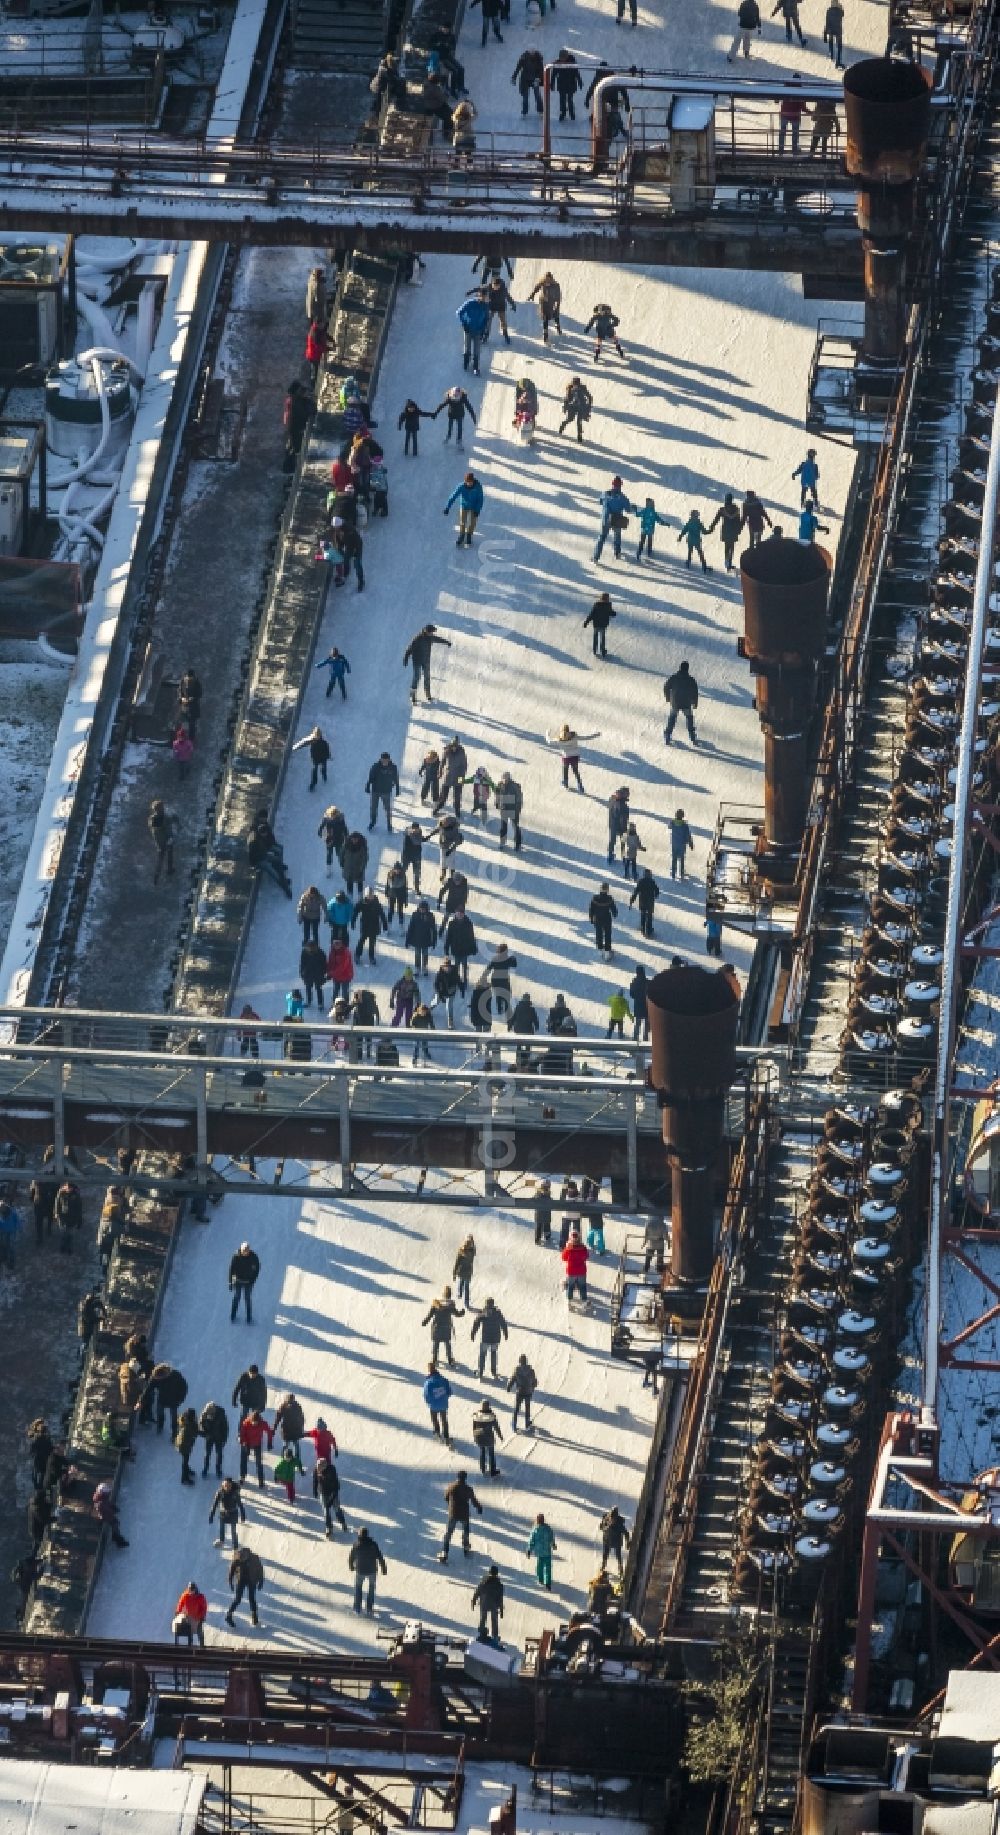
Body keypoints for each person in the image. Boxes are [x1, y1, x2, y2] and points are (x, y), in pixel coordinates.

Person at [439, 1470, 483, 1561]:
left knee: (449, 1532)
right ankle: (466, 1548)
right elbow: (473, 1500)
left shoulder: (451, 1487)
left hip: (453, 1513)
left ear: (457, 1477)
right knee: (466, 1531)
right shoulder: (468, 1489)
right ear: (465, 1478)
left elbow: (446, 1497)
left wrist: (451, 1504)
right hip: (464, 1514)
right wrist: (479, 1507)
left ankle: (445, 1552)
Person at [404, 624, 452, 703]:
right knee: (417, 677)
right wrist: (406, 657)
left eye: (433, 632)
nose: (432, 634)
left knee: (427, 677)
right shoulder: (418, 638)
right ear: (427, 632)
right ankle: (412, 694)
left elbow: (438, 639)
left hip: (426, 660)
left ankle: (427, 694)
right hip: (417, 660)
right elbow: (410, 648)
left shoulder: (430, 637)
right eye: (431, 632)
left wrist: (447, 642)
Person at [422, 1286, 465, 1366]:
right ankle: (450, 1359)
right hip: (446, 1327)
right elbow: (458, 1314)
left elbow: (429, 1316)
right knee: (447, 1344)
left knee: (436, 1344)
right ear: (450, 1295)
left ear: (443, 1294)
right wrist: (462, 1312)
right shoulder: (451, 1306)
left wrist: (425, 1322)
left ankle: (434, 1359)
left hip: (437, 1327)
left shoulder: (436, 1304)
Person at [349, 1527, 387, 1616]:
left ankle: (357, 1608)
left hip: (360, 1570)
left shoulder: (356, 1545)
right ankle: (369, 1608)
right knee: (371, 1589)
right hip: (372, 1571)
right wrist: (383, 1568)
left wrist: (351, 1566)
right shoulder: (373, 1545)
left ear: (360, 1535)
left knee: (358, 1588)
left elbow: (351, 1557)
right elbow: (380, 1557)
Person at [144, 1362, 188, 1438]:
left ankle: (174, 1433)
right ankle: (160, 1428)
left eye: (159, 1378)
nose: (158, 1380)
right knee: (160, 1414)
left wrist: (180, 1399)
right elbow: (148, 1389)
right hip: (162, 1399)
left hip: (174, 1400)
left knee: (174, 1418)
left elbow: (184, 1387)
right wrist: (141, 1400)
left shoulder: (176, 1375)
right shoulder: (156, 1376)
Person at [594, 474, 631, 563]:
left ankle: (596, 557)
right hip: (617, 520)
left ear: (612, 484)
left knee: (601, 538)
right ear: (620, 486)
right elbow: (628, 509)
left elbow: (600, 501)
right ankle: (617, 553)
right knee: (617, 536)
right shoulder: (623, 498)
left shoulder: (605, 494)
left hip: (606, 519)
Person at [472, 1296, 509, 1379]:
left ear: (486, 1304)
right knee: (493, 1354)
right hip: (495, 1338)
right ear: (493, 1304)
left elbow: (476, 1323)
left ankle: (480, 1372)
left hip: (485, 1338)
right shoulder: (498, 1313)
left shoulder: (483, 1312)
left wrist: (473, 1333)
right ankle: (494, 1372)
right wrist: (505, 1333)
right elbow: (503, 1323)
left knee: (482, 1355)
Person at [226, 1546, 264, 1627]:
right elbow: (231, 1569)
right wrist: (230, 1581)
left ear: (247, 1556)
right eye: (240, 1560)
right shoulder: (237, 1558)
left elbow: (260, 1569)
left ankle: (254, 1616)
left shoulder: (254, 1558)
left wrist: (261, 1581)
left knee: (251, 1598)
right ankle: (228, 1615)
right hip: (241, 1579)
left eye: (243, 1560)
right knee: (237, 1599)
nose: (241, 1561)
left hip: (252, 1579)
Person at [444, 472, 485, 547]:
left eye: (471, 482)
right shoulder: (461, 486)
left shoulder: (478, 487)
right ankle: (462, 535)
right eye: (468, 482)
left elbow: (480, 499)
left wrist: (477, 510)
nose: (469, 484)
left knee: (472, 522)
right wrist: (447, 507)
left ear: (473, 481)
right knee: (462, 521)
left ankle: (469, 534)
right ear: (465, 481)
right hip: (464, 506)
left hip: (474, 506)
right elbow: (453, 496)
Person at [664, 661, 699, 745]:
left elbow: (666, 687)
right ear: (687, 669)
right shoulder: (691, 679)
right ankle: (692, 737)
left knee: (672, 718)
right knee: (689, 718)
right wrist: (695, 703)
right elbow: (695, 691)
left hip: (675, 702)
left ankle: (668, 735)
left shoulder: (674, 678)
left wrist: (668, 698)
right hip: (686, 702)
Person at [707, 493, 743, 571]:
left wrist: (712, 527)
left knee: (726, 547)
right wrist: (739, 529)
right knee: (732, 547)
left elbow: (716, 520)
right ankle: (729, 563)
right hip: (733, 531)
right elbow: (738, 520)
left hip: (726, 530)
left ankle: (727, 563)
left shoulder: (722, 510)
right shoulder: (736, 509)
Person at [457, 290, 490, 373]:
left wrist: (484, 330)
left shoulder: (486, 307)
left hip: (478, 331)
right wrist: (464, 324)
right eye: (481, 296)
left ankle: (476, 367)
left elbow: (486, 319)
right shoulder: (470, 303)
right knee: (467, 347)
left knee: (477, 350)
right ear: (478, 295)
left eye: (485, 297)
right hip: (468, 329)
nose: (483, 298)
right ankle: (466, 362)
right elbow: (459, 312)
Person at [238, 1409, 273, 1488]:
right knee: (243, 1460)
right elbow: (242, 1435)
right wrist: (244, 1443)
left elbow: (269, 1432)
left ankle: (261, 1480)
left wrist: (269, 1443)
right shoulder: (246, 1423)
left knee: (258, 1462)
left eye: (256, 1422)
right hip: (247, 1443)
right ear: (251, 1420)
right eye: (253, 1422)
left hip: (257, 1444)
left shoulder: (263, 1423)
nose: (254, 1424)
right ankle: (242, 1477)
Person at [365, 752, 399, 831]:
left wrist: (397, 789)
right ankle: (373, 821)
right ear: (380, 759)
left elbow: (396, 778)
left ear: (389, 759)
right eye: (383, 760)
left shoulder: (393, 767)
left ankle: (389, 824)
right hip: (375, 791)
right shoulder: (376, 766)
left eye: (386, 760)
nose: (385, 762)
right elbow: (370, 776)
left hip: (386, 791)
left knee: (387, 809)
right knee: (373, 807)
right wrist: (368, 786)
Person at [314, 1457, 347, 1536]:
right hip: (323, 1492)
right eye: (318, 1468)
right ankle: (329, 1527)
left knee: (336, 1508)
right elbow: (315, 1480)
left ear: (324, 1468)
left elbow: (335, 1487)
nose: (318, 1470)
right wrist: (315, 1490)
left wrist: (332, 1499)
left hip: (332, 1492)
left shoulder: (331, 1470)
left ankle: (342, 1522)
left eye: (320, 1469)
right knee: (326, 1511)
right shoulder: (316, 1470)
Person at [209, 1476, 245, 1547]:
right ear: (223, 1485)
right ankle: (222, 1540)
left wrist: (243, 1516)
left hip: (233, 1513)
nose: (227, 1487)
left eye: (229, 1485)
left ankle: (235, 1547)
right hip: (223, 1513)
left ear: (231, 1485)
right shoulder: (220, 1492)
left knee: (233, 1531)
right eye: (225, 1485)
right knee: (221, 1528)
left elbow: (240, 1505)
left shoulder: (235, 1493)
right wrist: (211, 1515)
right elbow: (215, 1504)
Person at [283, 377, 312, 468]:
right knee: (296, 448)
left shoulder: (292, 399)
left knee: (292, 445)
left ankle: (290, 465)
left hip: (292, 426)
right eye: (300, 390)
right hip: (295, 427)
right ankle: (290, 467)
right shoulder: (294, 402)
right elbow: (303, 413)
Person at [229, 1241, 260, 1324]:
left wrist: (253, 1280)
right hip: (238, 1281)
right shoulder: (236, 1256)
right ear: (241, 1250)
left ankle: (249, 1318)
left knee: (247, 1298)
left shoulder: (253, 1257)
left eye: (247, 1251)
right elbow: (231, 1270)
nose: (246, 1253)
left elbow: (257, 1268)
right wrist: (230, 1282)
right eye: (244, 1251)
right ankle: (233, 1316)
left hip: (248, 1282)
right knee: (237, 1297)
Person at [148, 799, 177, 883]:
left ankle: (158, 876)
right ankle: (167, 871)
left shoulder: (153, 818)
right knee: (166, 855)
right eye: (162, 807)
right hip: (165, 840)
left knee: (162, 857)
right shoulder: (161, 819)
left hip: (161, 841)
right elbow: (166, 826)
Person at [423, 1362, 453, 1443]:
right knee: (444, 1420)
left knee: (434, 1419)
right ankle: (446, 1437)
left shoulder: (428, 1383)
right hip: (443, 1404)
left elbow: (426, 1395)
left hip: (433, 1405)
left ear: (429, 1371)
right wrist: (444, 1398)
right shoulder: (443, 1379)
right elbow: (449, 1392)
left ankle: (437, 1433)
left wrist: (429, 1402)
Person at [472, 1398, 503, 1477]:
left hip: (479, 1437)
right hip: (489, 1438)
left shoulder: (476, 1415)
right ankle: (492, 1470)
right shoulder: (492, 1416)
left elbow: (474, 1427)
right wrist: (500, 1436)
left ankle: (483, 1468)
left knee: (482, 1452)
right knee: (491, 1454)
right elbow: (496, 1427)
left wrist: (475, 1437)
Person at [472, 1564, 504, 1640]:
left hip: (484, 1603)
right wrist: (501, 1609)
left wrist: (474, 1600)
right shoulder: (499, 1585)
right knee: (494, 1620)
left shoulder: (483, 1582)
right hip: (494, 1605)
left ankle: (480, 1634)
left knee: (483, 1618)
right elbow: (500, 1598)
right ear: (496, 1573)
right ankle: (495, 1636)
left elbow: (477, 1592)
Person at [199, 1401, 230, 1478]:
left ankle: (218, 1470)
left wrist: (224, 1439)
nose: (210, 1416)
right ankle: (205, 1469)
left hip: (219, 1437)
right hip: (209, 1437)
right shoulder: (204, 1414)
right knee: (207, 1454)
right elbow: (201, 1425)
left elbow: (225, 1427)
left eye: (211, 1415)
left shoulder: (221, 1414)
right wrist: (204, 1433)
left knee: (219, 1454)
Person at [93, 1481, 128, 1548]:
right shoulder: (101, 1503)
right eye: (107, 1493)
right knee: (115, 1523)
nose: (108, 1493)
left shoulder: (103, 1499)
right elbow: (106, 1512)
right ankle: (118, 1540)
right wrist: (112, 1512)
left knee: (116, 1523)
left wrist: (113, 1507)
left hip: (105, 1513)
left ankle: (116, 1537)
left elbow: (108, 1503)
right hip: (102, 1517)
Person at [529, 271, 562, 342]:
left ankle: (558, 326)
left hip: (551, 303)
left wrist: (557, 306)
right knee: (545, 317)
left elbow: (558, 296)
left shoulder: (556, 285)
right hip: (543, 303)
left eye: (549, 279)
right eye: (546, 279)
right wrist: (532, 294)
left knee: (555, 315)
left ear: (551, 279)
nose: (547, 281)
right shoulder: (543, 282)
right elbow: (537, 287)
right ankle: (545, 333)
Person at [558, 376, 593, 443]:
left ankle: (579, 435)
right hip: (572, 407)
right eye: (575, 385)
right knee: (570, 419)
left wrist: (588, 406)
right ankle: (562, 426)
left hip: (580, 407)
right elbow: (567, 399)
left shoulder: (583, 388)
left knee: (579, 421)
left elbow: (589, 397)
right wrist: (565, 407)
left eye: (577, 385)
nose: (576, 386)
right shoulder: (570, 389)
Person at [507, 1352, 538, 1428]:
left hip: (520, 1391)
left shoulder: (517, 1370)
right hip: (528, 1391)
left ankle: (514, 1423)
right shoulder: (531, 1371)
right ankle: (527, 1423)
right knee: (527, 1407)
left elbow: (513, 1379)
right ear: (526, 1361)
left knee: (517, 1407)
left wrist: (509, 1387)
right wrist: (532, 1388)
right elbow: (534, 1381)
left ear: (520, 1361)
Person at [634, 497, 669, 562]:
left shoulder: (645, 510)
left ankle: (639, 552)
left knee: (642, 541)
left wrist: (635, 509)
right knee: (650, 541)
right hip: (650, 529)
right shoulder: (653, 512)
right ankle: (649, 552)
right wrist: (665, 523)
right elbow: (659, 520)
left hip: (644, 529)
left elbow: (637, 514)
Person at [552, 50, 583, 120]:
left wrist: (580, 81)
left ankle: (572, 113)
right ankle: (562, 113)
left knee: (569, 99)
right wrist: (552, 83)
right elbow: (553, 74)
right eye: (561, 58)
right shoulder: (558, 63)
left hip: (570, 84)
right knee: (562, 100)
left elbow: (576, 73)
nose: (562, 60)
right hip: (561, 84)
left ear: (567, 57)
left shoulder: (572, 63)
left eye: (563, 58)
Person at [584, 592, 617, 660]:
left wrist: (586, 622)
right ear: (607, 599)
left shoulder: (596, 604)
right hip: (603, 625)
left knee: (595, 637)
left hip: (596, 624)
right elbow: (612, 613)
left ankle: (594, 650)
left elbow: (591, 614)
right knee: (602, 638)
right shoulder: (608, 605)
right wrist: (614, 613)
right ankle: (602, 651)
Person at [589, 882, 618, 958]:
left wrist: (591, 918)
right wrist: (615, 914)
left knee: (599, 934)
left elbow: (591, 909)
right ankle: (607, 952)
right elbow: (613, 909)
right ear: (607, 890)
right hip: (607, 919)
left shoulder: (595, 898)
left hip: (598, 919)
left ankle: (600, 949)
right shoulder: (609, 898)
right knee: (607, 935)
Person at [512, 46, 544, 113]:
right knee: (525, 96)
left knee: (537, 95)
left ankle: (540, 110)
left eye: (533, 52)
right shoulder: (523, 58)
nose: (532, 53)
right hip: (525, 80)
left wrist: (538, 78)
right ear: (528, 52)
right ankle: (524, 111)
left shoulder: (538, 58)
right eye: (530, 52)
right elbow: (518, 68)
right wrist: (514, 77)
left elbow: (541, 70)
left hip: (535, 79)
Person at [630, 868, 660, 939]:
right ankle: (649, 930)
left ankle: (643, 929)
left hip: (642, 901)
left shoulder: (641, 881)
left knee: (643, 914)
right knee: (649, 915)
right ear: (650, 875)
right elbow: (657, 890)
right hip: (650, 901)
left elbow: (636, 891)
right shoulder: (652, 882)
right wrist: (656, 895)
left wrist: (632, 900)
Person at [600, 1505, 631, 1573]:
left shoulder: (619, 1525)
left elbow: (626, 1533)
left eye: (614, 1519)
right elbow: (601, 1527)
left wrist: (627, 1542)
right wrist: (606, 1527)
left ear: (616, 1518)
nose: (612, 1520)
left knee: (618, 1555)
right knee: (605, 1554)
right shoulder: (606, 1519)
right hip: (607, 1540)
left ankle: (620, 1566)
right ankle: (603, 1565)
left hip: (616, 1542)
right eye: (611, 1518)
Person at [528, 1515, 556, 1589]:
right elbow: (551, 1538)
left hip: (541, 1552)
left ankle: (543, 1580)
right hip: (546, 1552)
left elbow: (532, 1541)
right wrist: (553, 1544)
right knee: (546, 1567)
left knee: (541, 1567)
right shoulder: (547, 1528)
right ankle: (546, 1582)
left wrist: (529, 1550)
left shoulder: (536, 1529)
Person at [562, 1229, 589, 1302]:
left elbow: (564, 1258)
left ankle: (569, 1299)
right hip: (581, 1271)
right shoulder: (583, 1248)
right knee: (582, 1286)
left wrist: (566, 1248)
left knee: (570, 1286)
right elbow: (586, 1256)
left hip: (571, 1272)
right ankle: (584, 1300)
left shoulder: (568, 1249)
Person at [670, 809, 695, 879]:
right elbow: (688, 835)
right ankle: (681, 873)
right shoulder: (684, 826)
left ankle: (673, 873)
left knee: (674, 858)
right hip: (682, 844)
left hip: (674, 844)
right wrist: (691, 844)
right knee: (682, 859)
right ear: (683, 816)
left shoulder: (672, 823)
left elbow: (669, 826)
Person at [453, 1234, 476, 1306]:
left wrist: (454, 1273)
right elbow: (474, 1248)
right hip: (468, 1271)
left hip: (461, 1270)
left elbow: (457, 1262)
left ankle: (459, 1293)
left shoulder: (461, 1251)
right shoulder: (472, 1252)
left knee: (461, 1281)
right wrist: (472, 1241)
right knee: (467, 1287)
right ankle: (466, 1303)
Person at [306, 317, 328, 384]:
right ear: (318, 324)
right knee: (315, 372)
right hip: (313, 355)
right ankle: (313, 385)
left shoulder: (317, 329)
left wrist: (331, 340)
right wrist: (328, 348)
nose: (324, 325)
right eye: (322, 324)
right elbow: (319, 347)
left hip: (314, 354)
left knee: (315, 369)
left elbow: (324, 334)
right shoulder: (315, 334)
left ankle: (314, 382)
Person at [631, 965, 650, 1041]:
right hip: (646, 1006)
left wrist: (637, 997)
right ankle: (645, 1040)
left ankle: (635, 1040)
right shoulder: (647, 982)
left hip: (638, 1006)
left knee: (637, 1024)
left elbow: (632, 994)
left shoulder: (634, 982)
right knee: (646, 1025)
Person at [533, 1182, 552, 1246]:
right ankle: (545, 1237)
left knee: (540, 1226)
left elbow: (533, 1201)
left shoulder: (538, 1194)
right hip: (544, 1213)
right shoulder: (546, 1195)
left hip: (540, 1214)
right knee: (545, 1226)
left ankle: (538, 1239)